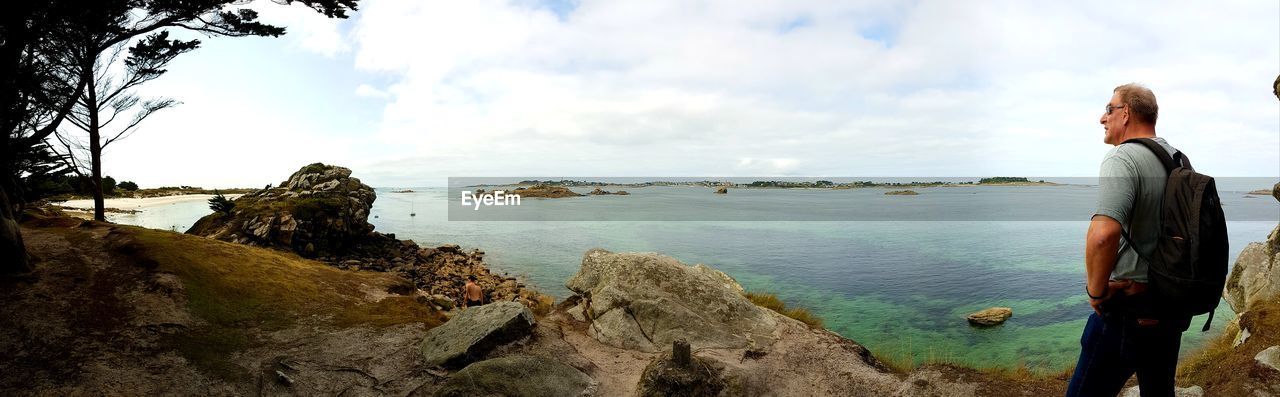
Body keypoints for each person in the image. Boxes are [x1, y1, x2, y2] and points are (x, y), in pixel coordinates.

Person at [1066, 83, 1192, 397]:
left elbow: (1103, 235)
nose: (1102, 118)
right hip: (1168, 309)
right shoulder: (1179, 160)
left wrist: (1095, 292)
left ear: (1126, 113)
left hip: (1126, 313)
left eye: (1109, 109)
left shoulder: (1122, 159)